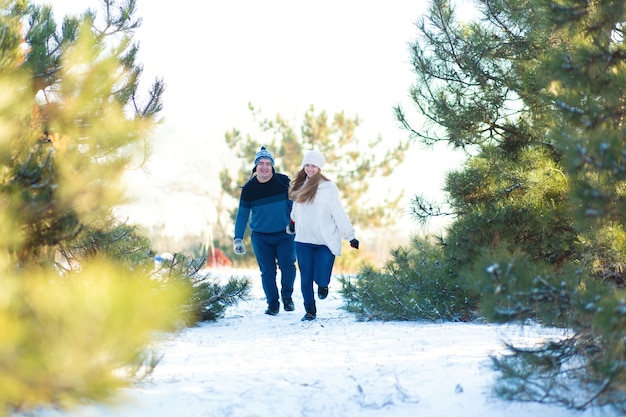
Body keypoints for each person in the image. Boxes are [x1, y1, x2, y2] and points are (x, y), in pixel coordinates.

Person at [288, 149, 359, 321]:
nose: (310, 169)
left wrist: (350, 236)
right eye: (307, 165)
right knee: (305, 278)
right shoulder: (299, 184)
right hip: (303, 240)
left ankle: (323, 285)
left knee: (321, 276)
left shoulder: (328, 187)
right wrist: (292, 224)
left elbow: (338, 212)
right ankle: (310, 310)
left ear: (319, 167)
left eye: (313, 166)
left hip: (325, 241)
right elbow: (296, 210)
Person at [233, 146, 297, 315]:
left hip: (285, 234)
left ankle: (287, 297)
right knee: (268, 272)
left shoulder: (283, 181)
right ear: (255, 166)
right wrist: (238, 238)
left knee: (288, 267)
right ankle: (273, 304)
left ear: (272, 166)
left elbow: (294, 207)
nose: (264, 167)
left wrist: (295, 225)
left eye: (268, 163)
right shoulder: (249, 189)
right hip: (261, 237)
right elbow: (242, 215)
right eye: (261, 163)